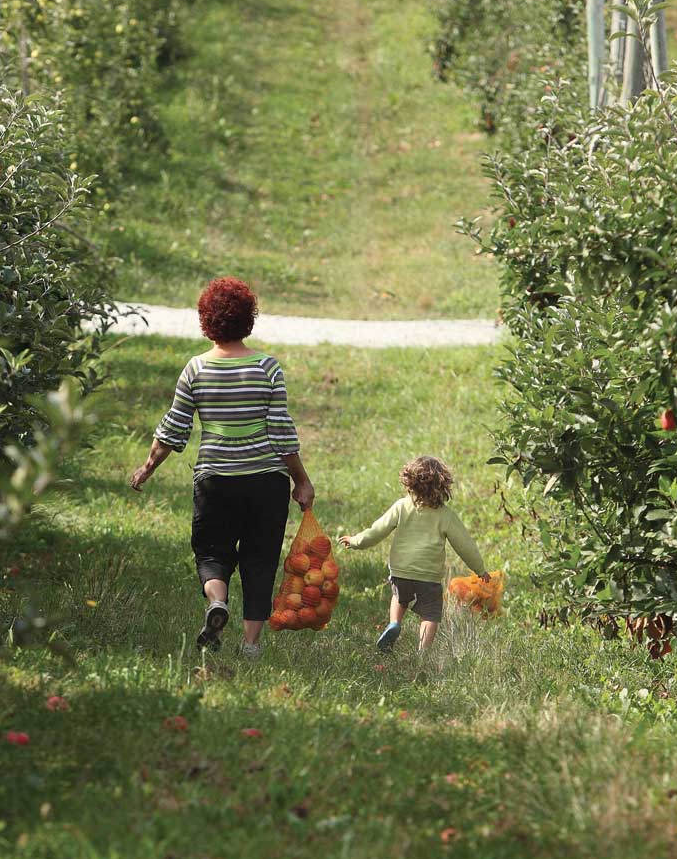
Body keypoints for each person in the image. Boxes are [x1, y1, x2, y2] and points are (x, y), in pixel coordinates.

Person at [129, 277, 316, 655]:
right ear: (249, 319)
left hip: (215, 480)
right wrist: (301, 481)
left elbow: (173, 428)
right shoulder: (267, 368)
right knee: (260, 560)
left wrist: (147, 468)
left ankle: (217, 602)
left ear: (206, 321)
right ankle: (250, 645)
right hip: (266, 483)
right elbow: (280, 431)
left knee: (213, 553)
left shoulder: (196, 369)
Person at [338, 455, 489, 653]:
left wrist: (356, 541)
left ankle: (394, 623)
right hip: (428, 577)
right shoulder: (445, 515)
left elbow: (377, 531)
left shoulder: (401, 506)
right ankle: (422, 652)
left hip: (401, 571)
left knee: (399, 598)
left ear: (409, 482)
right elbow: (465, 545)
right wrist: (480, 570)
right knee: (430, 615)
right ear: (442, 486)